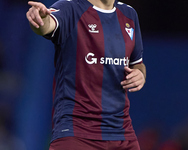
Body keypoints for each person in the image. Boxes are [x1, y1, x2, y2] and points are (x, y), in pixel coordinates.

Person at [26, 0, 146, 149]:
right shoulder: (69, 8)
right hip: (77, 133)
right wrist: (40, 19)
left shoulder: (129, 14)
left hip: (122, 134)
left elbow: (137, 63)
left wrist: (140, 73)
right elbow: (47, 25)